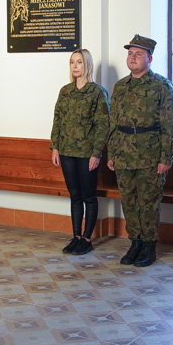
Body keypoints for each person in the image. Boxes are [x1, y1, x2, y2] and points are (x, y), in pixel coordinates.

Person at [106, 34, 173, 267]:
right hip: (124, 155)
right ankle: (135, 243)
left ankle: (149, 245)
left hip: (150, 156)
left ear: (149, 58)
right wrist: (111, 153)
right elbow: (113, 123)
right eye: (130, 53)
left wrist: (166, 157)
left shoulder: (162, 86)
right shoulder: (120, 87)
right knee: (128, 201)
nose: (133, 57)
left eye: (139, 54)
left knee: (147, 202)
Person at [50, 49, 110, 255]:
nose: (75, 66)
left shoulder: (97, 92)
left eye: (79, 62)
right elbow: (57, 120)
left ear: (87, 65)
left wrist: (96, 153)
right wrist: (55, 147)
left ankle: (87, 239)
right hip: (67, 151)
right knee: (74, 196)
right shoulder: (65, 91)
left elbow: (103, 125)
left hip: (86, 153)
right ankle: (75, 236)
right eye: (72, 62)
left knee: (88, 196)